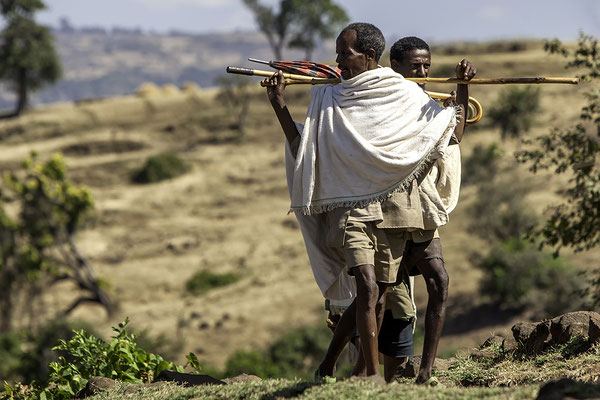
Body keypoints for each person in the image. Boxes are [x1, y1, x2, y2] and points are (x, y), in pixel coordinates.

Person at [263, 22, 468, 380]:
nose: (339, 60)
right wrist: (279, 104)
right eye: (339, 53)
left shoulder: (406, 95)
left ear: (369, 56)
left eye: (345, 53)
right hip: (360, 215)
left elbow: (450, 133)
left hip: (412, 213)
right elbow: (308, 148)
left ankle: (411, 374)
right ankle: (365, 373)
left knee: (422, 290)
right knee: (371, 292)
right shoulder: (333, 97)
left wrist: (458, 95)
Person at [387, 36, 476, 385]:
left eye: (427, 65)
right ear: (394, 67)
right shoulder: (383, 102)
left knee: (439, 281)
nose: (423, 72)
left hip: (422, 209)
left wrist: (462, 89)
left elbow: (453, 136)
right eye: (415, 66)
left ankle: (425, 372)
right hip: (390, 210)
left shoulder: (428, 104)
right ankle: (335, 364)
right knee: (376, 293)